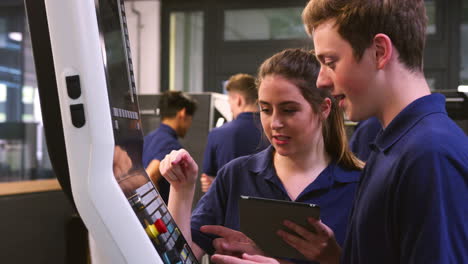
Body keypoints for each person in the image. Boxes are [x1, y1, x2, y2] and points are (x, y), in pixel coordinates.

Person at [214, 1, 468, 263]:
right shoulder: (394, 148)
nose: (322, 80)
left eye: (330, 62)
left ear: (379, 52)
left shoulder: (429, 155)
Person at [159, 48, 364, 263]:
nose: (275, 123)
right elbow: (178, 258)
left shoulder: (359, 185)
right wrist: (181, 191)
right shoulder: (235, 175)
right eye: (266, 110)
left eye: (289, 110)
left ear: (324, 109)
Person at [200, 73, 269, 192]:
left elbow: (208, 179)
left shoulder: (217, 134)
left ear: (238, 100)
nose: (230, 108)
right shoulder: (273, 132)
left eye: (229, 102)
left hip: (229, 206)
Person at [142, 90, 197, 203]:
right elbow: (150, 176)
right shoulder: (171, 145)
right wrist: (159, 215)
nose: (189, 125)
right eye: (191, 119)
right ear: (182, 113)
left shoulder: (149, 138)